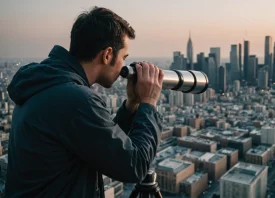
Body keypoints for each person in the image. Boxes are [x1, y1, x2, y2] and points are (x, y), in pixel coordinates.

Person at [5, 6, 164, 198]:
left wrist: (132, 105)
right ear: (107, 55)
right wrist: (148, 102)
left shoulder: (45, 83)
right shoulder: (75, 99)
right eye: (124, 57)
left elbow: (102, 145)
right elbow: (135, 166)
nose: (124, 65)